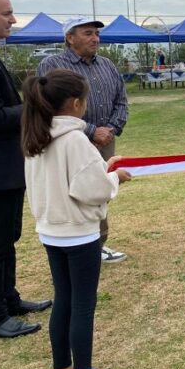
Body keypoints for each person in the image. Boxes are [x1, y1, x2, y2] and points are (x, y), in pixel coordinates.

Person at [22, 69, 130, 369]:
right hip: (79, 234)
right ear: (76, 103)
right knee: (83, 305)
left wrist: (104, 168)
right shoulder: (74, 141)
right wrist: (114, 176)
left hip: (51, 231)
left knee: (64, 301)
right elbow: (93, 189)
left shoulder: (36, 135)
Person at [0, 0, 51, 338]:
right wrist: (37, 105)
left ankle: (8, 299)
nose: (13, 20)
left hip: (2, 170)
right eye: (6, 14)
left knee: (7, 238)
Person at [37, 16, 129, 264]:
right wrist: (90, 131)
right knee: (73, 193)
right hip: (67, 142)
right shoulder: (52, 65)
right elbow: (47, 106)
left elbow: (121, 102)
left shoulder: (108, 65)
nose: (95, 39)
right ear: (70, 38)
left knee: (100, 190)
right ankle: (76, 246)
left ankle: (98, 243)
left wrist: (109, 129)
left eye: (97, 34)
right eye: (88, 33)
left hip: (104, 141)